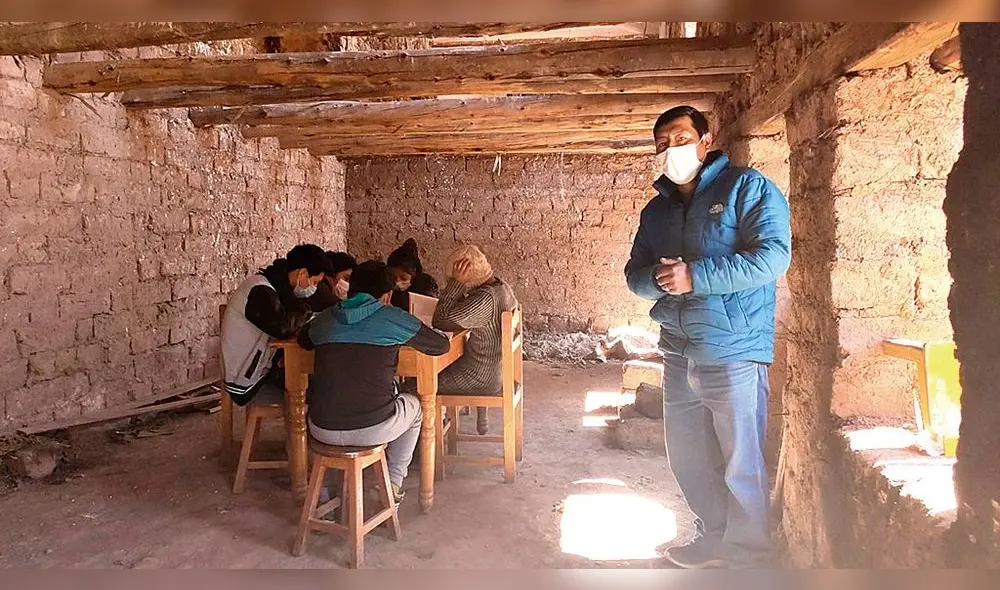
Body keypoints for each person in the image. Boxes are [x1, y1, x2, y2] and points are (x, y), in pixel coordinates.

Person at [624, 105, 791, 569]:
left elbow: (772, 257)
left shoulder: (746, 188)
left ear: (705, 140)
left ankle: (747, 556)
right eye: (662, 144)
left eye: (680, 138)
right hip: (678, 349)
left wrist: (695, 276)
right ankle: (711, 536)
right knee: (687, 455)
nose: (671, 150)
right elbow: (634, 274)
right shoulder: (657, 211)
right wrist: (657, 280)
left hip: (732, 347)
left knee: (740, 460)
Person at [298, 261, 450, 502]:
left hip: (321, 427)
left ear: (350, 290)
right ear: (387, 295)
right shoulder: (393, 317)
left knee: (330, 402)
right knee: (415, 407)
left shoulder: (326, 319)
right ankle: (392, 483)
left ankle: (324, 496)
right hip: (373, 428)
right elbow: (440, 345)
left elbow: (303, 340)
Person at [221, 244, 329, 406]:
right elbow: (282, 328)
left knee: (317, 378)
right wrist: (306, 311)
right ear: (303, 273)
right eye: (314, 282)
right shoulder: (260, 290)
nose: (314, 288)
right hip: (245, 379)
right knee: (318, 389)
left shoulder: (276, 287)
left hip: (259, 367)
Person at [432, 245, 519, 435]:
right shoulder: (501, 287)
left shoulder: (484, 299)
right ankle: (481, 418)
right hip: (496, 372)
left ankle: (422, 447)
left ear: (466, 274)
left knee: (418, 384)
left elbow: (440, 320)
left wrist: (456, 284)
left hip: (480, 378)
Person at [387, 238, 439, 310]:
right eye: (393, 277)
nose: (397, 282)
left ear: (414, 277)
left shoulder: (425, 290)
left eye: (403, 278)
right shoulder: (385, 289)